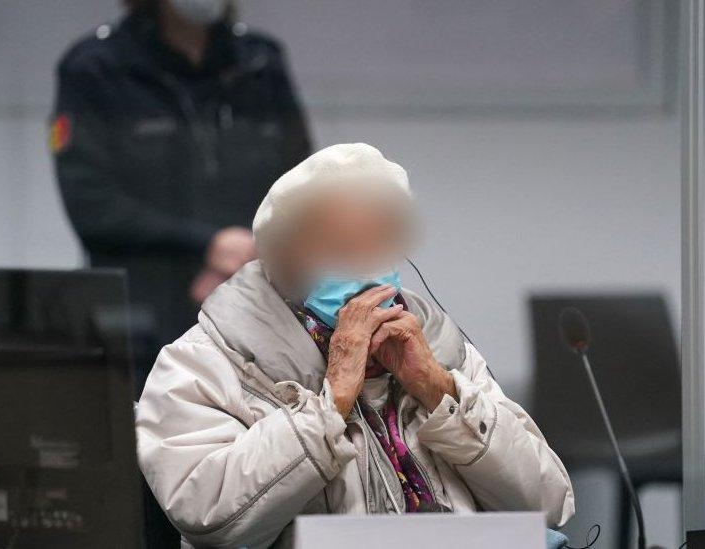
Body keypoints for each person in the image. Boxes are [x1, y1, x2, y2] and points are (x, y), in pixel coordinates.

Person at [136, 143, 575, 548]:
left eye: (380, 245)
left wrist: (440, 391)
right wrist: (329, 407)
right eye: (338, 250)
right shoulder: (201, 362)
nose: (365, 268)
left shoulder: (440, 348)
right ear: (278, 256)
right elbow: (210, 518)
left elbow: (549, 504)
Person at [50, 0, 311, 391]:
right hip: (140, 328)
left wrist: (241, 259)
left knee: (265, 447)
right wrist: (205, 246)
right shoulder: (95, 67)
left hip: (256, 312)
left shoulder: (260, 62)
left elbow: (304, 186)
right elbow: (92, 205)